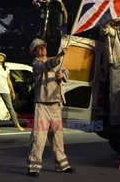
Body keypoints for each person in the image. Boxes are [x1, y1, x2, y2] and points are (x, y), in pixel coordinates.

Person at [27, 38, 75, 177]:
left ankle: (62, 165)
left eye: (44, 47)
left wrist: (62, 75)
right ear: (34, 51)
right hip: (42, 104)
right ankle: (33, 167)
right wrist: (59, 56)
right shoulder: (36, 63)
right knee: (38, 136)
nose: (42, 49)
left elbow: (66, 71)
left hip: (55, 103)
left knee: (57, 137)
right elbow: (45, 67)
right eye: (39, 48)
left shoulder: (56, 60)